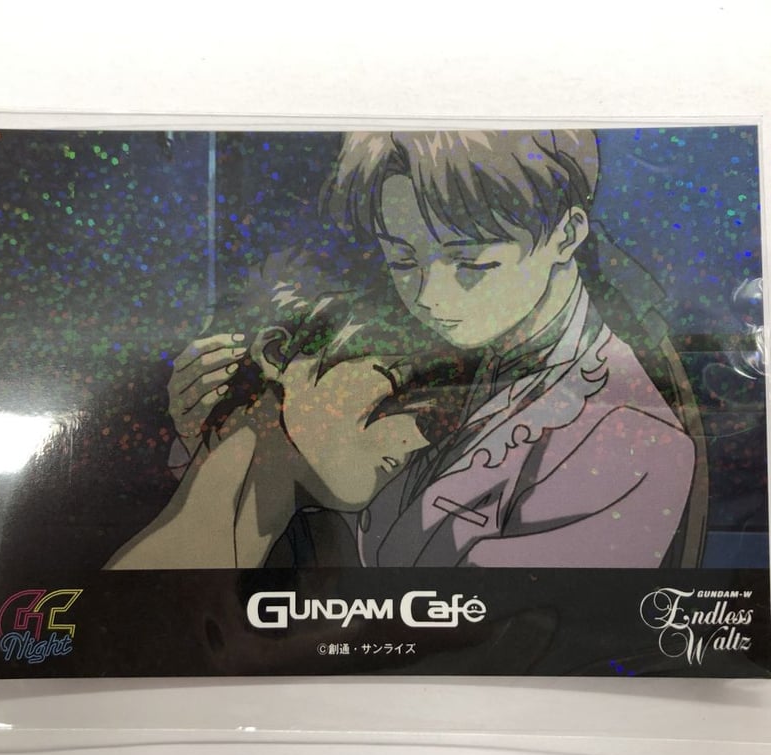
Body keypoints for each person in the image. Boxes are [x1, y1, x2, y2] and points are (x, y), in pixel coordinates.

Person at [168, 130, 703, 568]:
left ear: (566, 235)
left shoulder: (628, 441)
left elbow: (499, 635)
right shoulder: (396, 339)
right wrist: (219, 429)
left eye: (472, 264)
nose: (429, 296)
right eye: (403, 260)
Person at [107, 243, 465, 569]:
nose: (418, 436)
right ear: (277, 353)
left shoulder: (323, 557)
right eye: (393, 382)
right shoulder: (152, 586)